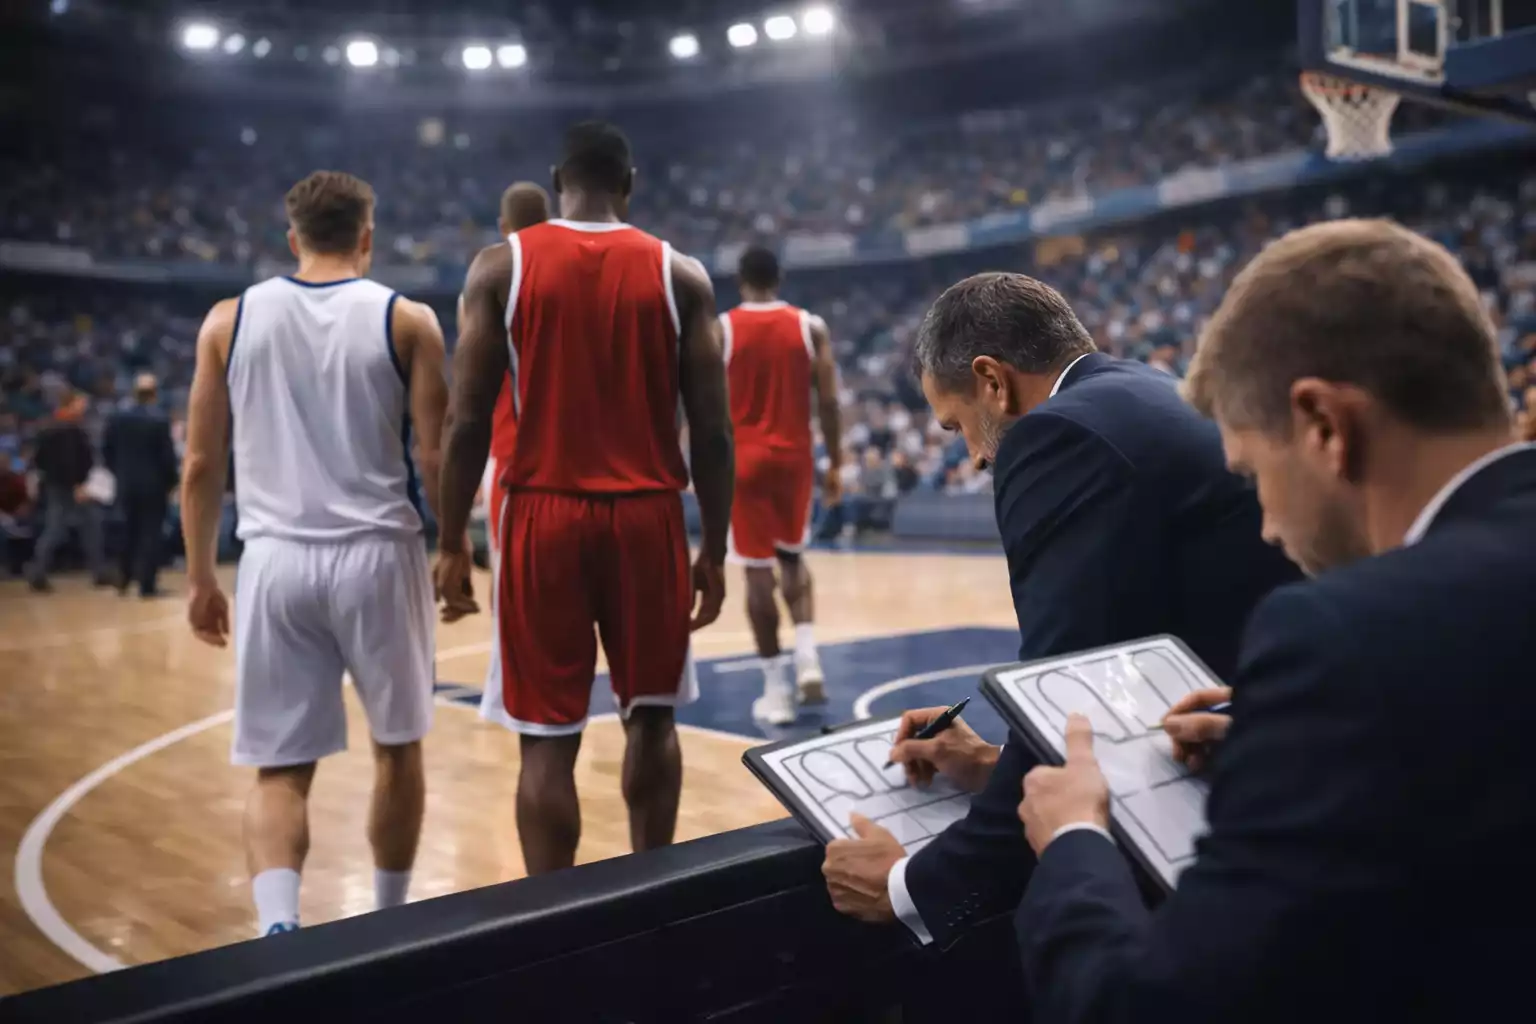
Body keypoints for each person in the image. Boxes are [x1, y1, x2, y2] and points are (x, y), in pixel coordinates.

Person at [1014, 218, 1536, 1022]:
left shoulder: (1342, 639)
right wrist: (1295, 742)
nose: (1264, 524)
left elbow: (1153, 1007)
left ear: (1324, 426)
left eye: (1253, 475)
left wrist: (1075, 841)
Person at [821, 272, 1300, 951]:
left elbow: (1065, 693)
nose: (978, 454)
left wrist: (911, 885)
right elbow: (1121, 668)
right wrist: (996, 768)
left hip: (1243, 837)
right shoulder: (1145, 390)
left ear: (993, 380)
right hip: (1265, 755)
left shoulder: (1056, 435)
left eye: (958, 426)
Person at [436, 121, 733, 876]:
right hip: (647, 518)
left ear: (557, 180)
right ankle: (650, 892)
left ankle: (552, 924)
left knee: (545, 740)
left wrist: (447, 542)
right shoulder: (682, 274)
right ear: (628, 185)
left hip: (541, 515)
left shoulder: (501, 266)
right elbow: (713, 429)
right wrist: (716, 549)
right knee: (653, 720)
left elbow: (465, 420)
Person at [180, 170, 448, 936]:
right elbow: (436, 457)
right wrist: (456, 545)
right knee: (397, 750)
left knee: (280, 770)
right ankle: (389, 921)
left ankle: (278, 929)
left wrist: (201, 577)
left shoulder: (227, 322)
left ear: (291, 239)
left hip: (275, 562)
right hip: (377, 556)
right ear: (368, 235)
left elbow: (200, 467)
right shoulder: (409, 320)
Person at [720, 246, 842, 725]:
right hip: (795, 456)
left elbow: (702, 403)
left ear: (739, 278)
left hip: (743, 459)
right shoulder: (809, 327)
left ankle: (776, 689)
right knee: (793, 558)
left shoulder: (722, 328)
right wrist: (835, 462)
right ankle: (808, 656)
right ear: (781, 276)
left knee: (755, 572)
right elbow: (829, 402)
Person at [471, 181, 551, 731]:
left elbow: (470, 396)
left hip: (510, 458)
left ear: (503, 227)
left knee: (509, 578)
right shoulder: (578, 278)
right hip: (574, 460)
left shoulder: (489, 278)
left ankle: (505, 684)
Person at [103, 373, 179, 597]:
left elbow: (107, 451)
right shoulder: (159, 419)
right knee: (150, 534)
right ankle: (147, 584)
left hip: (126, 484)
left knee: (127, 530)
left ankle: (123, 579)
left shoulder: (117, 418)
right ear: (154, 393)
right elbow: (167, 457)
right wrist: (171, 481)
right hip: (154, 487)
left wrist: (119, 474)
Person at [27, 391, 107, 591]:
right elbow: (69, 461)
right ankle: (37, 572)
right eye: (80, 404)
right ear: (68, 404)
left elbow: (38, 459)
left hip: (60, 485)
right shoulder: (66, 430)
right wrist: (77, 485)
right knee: (59, 530)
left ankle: (98, 571)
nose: (84, 408)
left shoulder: (49, 427)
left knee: (85, 527)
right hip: (69, 487)